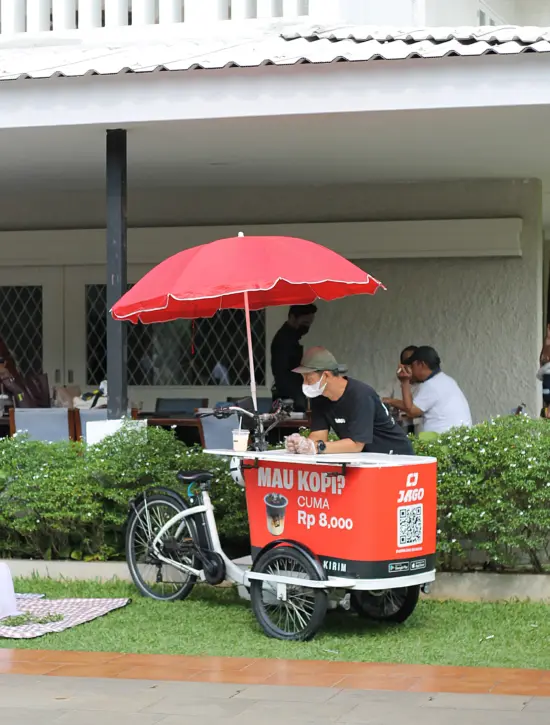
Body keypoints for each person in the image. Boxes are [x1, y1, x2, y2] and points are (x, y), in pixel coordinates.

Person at [284, 347, 414, 456]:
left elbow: (356, 444)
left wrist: (318, 447)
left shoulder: (361, 395)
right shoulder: (319, 397)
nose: (305, 383)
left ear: (326, 375)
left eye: (308, 378)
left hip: (395, 456)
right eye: (303, 378)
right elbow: (319, 436)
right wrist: (301, 444)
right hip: (366, 458)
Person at [386, 346, 472, 434]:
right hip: (455, 438)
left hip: (443, 440)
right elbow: (412, 406)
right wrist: (390, 400)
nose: (410, 370)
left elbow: (411, 411)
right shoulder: (446, 380)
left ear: (421, 364)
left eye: (412, 366)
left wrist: (405, 382)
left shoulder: (431, 385)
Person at [270, 304, 317, 412]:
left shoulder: (291, 337)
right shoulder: (284, 340)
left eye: (309, 323)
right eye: (305, 323)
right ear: (292, 317)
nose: (307, 327)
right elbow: (282, 372)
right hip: (289, 397)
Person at [380, 345, 419, 434]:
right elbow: (379, 398)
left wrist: (392, 401)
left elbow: (413, 409)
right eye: (407, 362)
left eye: (413, 362)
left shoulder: (425, 384)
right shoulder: (395, 382)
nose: (410, 365)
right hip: (396, 429)